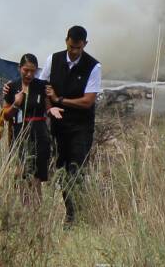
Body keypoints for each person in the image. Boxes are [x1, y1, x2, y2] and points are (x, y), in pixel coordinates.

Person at [40, 25, 101, 223]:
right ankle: (70, 213)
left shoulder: (93, 66)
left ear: (85, 44)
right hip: (59, 126)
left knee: (76, 169)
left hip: (81, 127)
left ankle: (75, 216)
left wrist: (60, 100)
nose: (74, 51)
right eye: (71, 46)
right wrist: (50, 108)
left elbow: (87, 101)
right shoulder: (53, 59)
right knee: (62, 168)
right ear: (66, 40)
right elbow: (44, 87)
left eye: (78, 48)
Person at [3, 54, 64, 203]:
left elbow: (48, 107)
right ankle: (24, 208)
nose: (29, 74)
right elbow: (5, 115)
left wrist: (52, 111)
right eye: (26, 70)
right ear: (19, 68)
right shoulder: (11, 87)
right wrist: (16, 104)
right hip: (19, 133)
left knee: (36, 175)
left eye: (33, 71)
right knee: (22, 173)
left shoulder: (42, 85)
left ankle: (36, 210)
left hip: (39, 132)